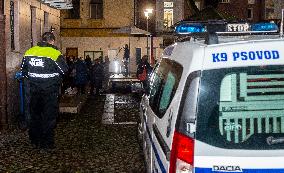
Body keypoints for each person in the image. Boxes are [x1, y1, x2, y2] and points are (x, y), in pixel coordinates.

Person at [20, 32, 68, 150]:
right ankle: (47, 142)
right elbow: (64, 70)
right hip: (49, 91)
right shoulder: (55, 53)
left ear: (42, 40)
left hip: (33, 91)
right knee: (49, 116)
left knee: (35, 115)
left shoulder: (29, 52)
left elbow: (23, 70)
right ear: (52, 41)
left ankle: (35, 140)